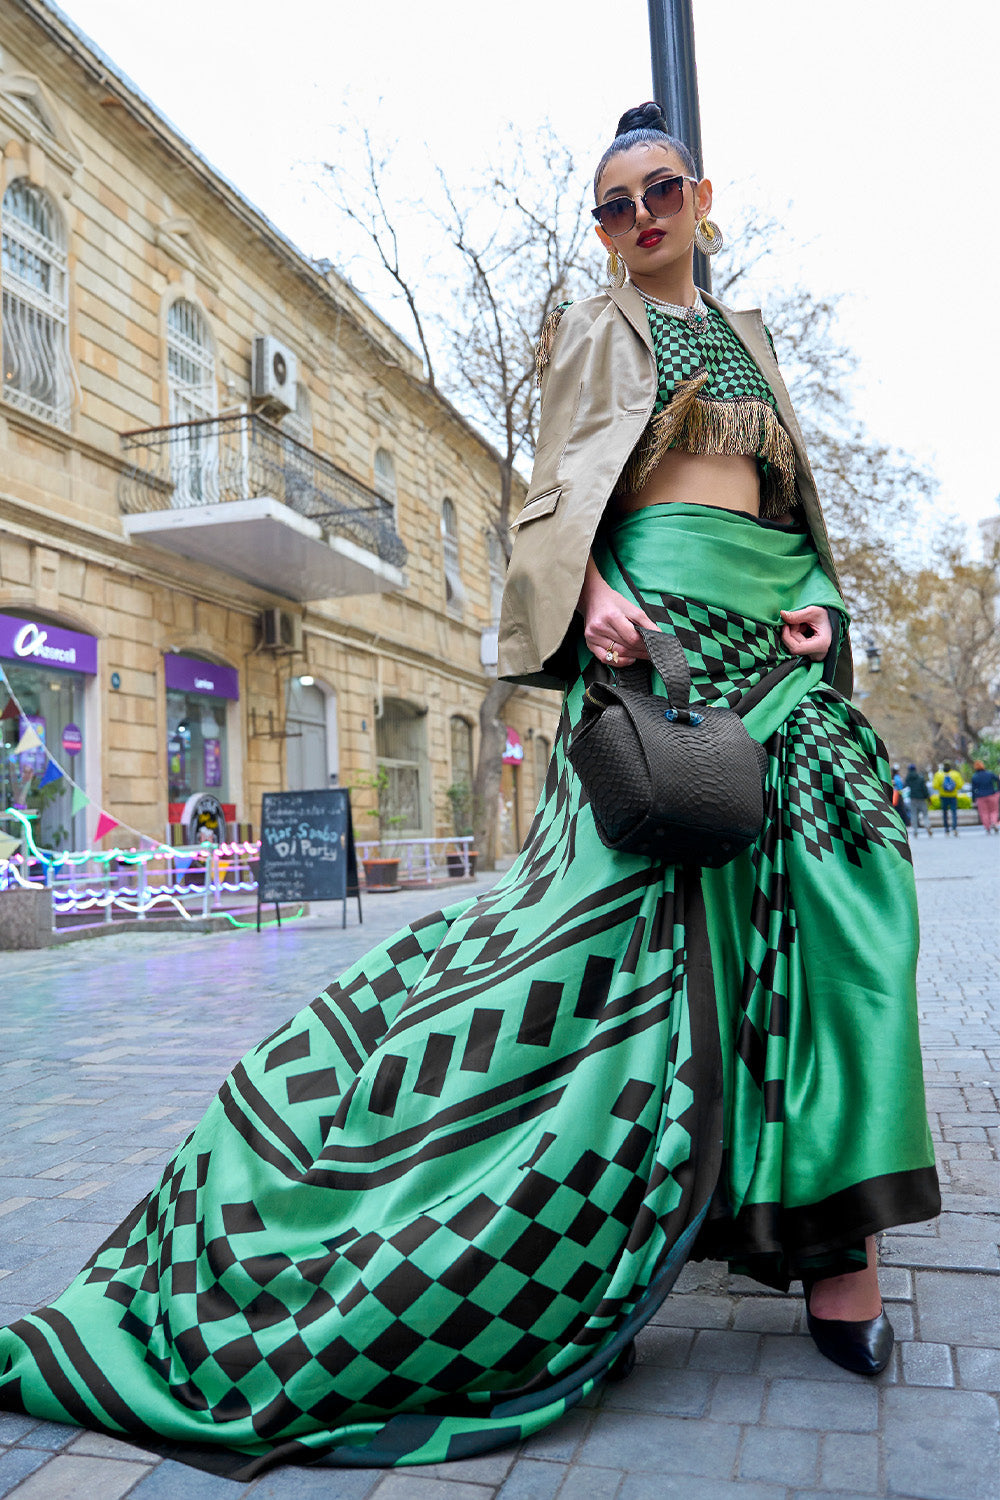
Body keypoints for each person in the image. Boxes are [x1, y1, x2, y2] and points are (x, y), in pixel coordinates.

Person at [0, 103, 940, 1475]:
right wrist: (599, 593)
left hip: (778, 659)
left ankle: (830, 1243)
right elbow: (555, 497)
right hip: (662, 654)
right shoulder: (589, 331)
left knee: (843, 899)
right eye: (614, 205)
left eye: (659, 191)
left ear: (703, 195)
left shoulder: (752, 342)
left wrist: (815, 608)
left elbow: (796, 512)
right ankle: (508, 1231)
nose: (639, 220)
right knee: (601, 964)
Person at [970, 759, 1000, 833]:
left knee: (984, 813)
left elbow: (973, 789)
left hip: (981, 797)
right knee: (994, 811)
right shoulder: (989, 774)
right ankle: (993, 822)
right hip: (991, 795)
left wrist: (973, 799)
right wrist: (998, 790)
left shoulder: (975, 777)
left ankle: (987, 827)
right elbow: (998, 780)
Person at [933, 761, 962, 835]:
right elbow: (960, 785)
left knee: (944, 813)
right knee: (954, 812)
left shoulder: (938, 775)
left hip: (943, 796)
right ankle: (954, 828)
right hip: (953, 796)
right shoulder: (955, 774)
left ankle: (946, 829)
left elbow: (935, 786)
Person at [905, 763, 931, 835]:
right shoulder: (920, 778)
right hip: (921, 799)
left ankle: (915, 830)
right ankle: (927, 826)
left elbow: (905, 787)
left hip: (913, 798)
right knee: (925, 814)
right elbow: (924, 789)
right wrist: (928, 799)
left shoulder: (908, 778)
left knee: (914, 815)